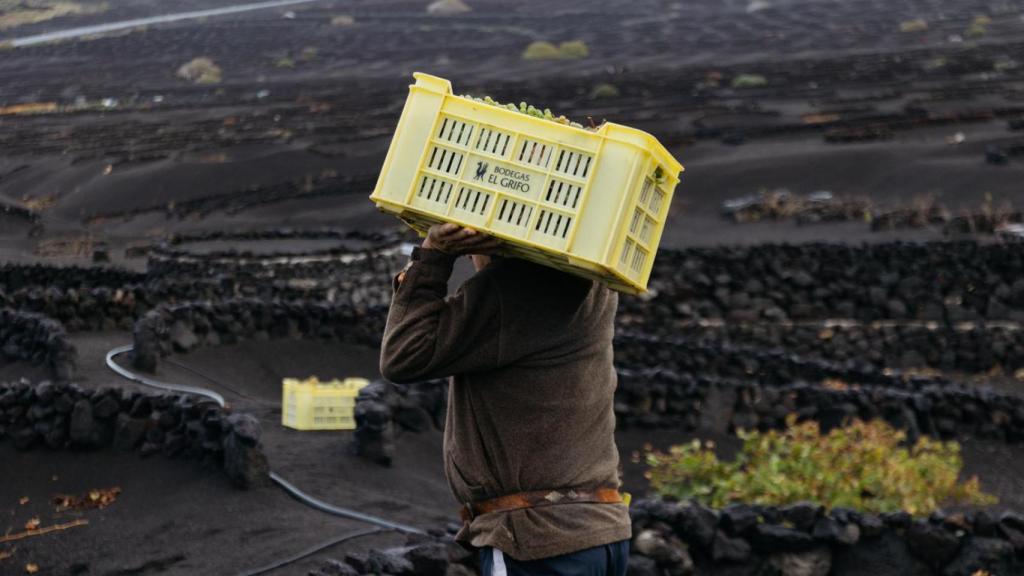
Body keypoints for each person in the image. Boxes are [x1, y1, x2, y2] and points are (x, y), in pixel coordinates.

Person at [380, 223, 631, 576]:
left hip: (537, 540)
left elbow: (403, 354)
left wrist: (435, 255)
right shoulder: (590, 284)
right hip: (599, 529)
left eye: (471, 248)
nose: (472, 258)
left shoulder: (517, 288)